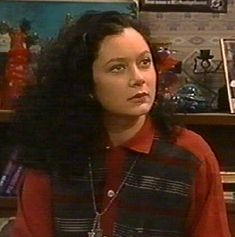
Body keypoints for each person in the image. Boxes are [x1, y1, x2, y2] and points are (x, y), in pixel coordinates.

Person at [7, 11, 231, 237]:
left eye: (145, 62)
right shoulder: (50, 153)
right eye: (118, 68)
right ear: (85, 84)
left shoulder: (191, 155)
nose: (139, 78)